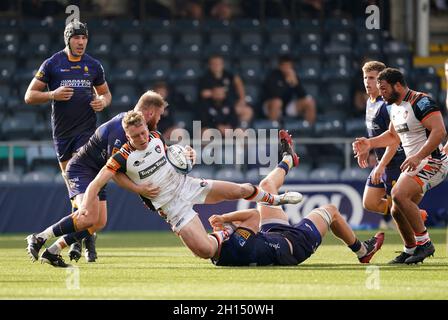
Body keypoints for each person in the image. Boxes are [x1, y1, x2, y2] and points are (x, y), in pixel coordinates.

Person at [33, 111, 302, 268]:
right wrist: (89, 201)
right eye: (134, 137)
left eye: (142, 134)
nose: (140, 139)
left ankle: (277, 197)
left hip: (189, 186)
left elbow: (175, 155)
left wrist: (186, 153)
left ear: (146, 130)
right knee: (206, 252)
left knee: (242, 189)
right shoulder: (121, 156)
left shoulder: (157, 137)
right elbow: (100, 180)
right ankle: (224, 233)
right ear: (127, 136)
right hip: (172, 208)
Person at [26, 91, 166, 265]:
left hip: (96, 174)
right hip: (81, 170)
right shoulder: (120, 130)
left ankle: (52, 251)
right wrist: (139, 190)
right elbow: (115, 172)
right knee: (87, 217)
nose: (159, 120)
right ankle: (39, 237)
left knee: (99, 222)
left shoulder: (136, 127)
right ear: (151, 113)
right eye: (159, 115)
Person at [208, 130, 385, 266]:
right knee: (331, 211)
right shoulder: (237, 243)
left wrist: (228, 225)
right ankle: (363, 251)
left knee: (266, 186)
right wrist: (224, 218)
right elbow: (252, 216)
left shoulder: (227, 249)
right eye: (227, 230)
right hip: (294, 244)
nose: (224, 230)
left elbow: (243, 225)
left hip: (270, 235)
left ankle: (288, 159)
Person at [24, 20, 112, 260]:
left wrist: (101, 102)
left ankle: (79, 239)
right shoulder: (53, 64)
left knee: (86, 197)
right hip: (63, 137)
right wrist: (52, 94)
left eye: (84, 38)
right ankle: (82, 239)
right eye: (76, 38)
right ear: (68, 39)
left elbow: (105, 94)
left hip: (87, 136)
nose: (81, 42)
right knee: (78, 195)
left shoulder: (93, 65)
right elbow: (29, 95)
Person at [353, 68, 448, 264]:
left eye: (385, 88)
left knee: (398, 194)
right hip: (417, 162)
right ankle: (410, 249)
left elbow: (439, 131)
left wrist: (418, 156)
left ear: (397, 85)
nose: (382, 93)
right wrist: (369, 143)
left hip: (433, 161)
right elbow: (393, 137)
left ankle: (425, 244)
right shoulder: (394, 106)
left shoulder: (421, 101)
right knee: (396, 209)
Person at [357, 61, 428, 230]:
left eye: (372, 78)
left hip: (397, 161)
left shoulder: (387, 106)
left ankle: (415, 242)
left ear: (382, 80)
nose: (368, 82)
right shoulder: (370, 101)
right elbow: (375, 132)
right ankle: (415, 215)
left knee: (398, 209)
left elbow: (395, 139)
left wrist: (381, 165)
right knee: (370, 202)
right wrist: (367, 149)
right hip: (383, 161)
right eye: (365, 77)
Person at [261, 55, 316, 124]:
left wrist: (296, 83)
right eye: (285, 66)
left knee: (309, 102)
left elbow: (302, 95)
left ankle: (309, 129)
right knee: (277, 102)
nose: (287, 68)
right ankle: (272, 130)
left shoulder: (293, 76)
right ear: (280, 66)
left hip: (287, 106)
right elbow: (276, 95)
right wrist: (287, 83)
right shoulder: (273, 76)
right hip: (270, 106)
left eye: (289, 66)